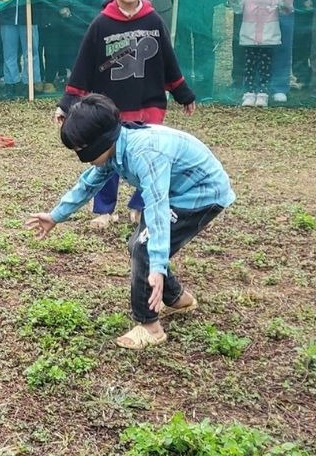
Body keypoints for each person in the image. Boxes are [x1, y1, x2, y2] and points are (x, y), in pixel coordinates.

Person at [26, 93, 234, 350]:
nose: (80, 154)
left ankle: (150, 327)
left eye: (81, 149)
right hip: (177, 192)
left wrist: (158, 265)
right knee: (139, 244)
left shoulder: (144, 154)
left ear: (99, 141)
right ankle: (178, 299)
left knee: (144, 248)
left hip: (201, 194)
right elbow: (88, 184)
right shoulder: (116, 146)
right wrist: (55, 216)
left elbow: (157, 209)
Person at [58, 0, 195, 228]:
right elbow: (83, 65)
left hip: (149, 103)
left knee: (149, 158)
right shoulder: (101, 24)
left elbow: (168, 60)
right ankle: (104, 210)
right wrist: (66, 103)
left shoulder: (153, 20)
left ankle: (140, 205)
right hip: (112, 107)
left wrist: (183, 93)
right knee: (107, 157)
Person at [231, 0, 292, 107]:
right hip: (249, 35)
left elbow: (286, 9)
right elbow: (237, 8)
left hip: (268, 35)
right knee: (250, 65)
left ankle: (263, 94)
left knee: (266, 65)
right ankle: (249, 93)